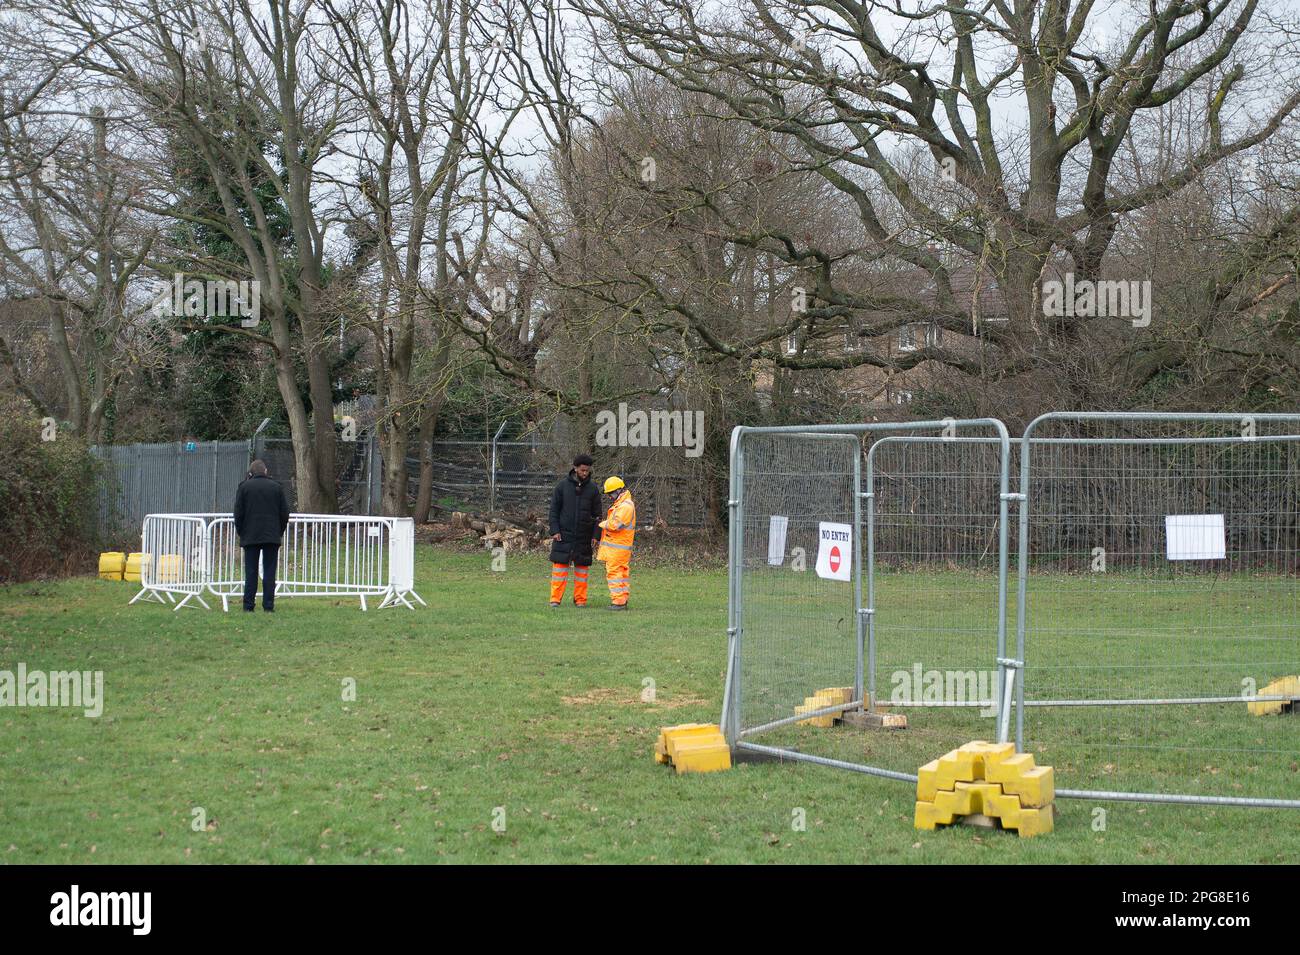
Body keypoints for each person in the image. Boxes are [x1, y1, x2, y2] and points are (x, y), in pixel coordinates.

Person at [233, 458, 290, 612]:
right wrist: (279, 531)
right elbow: (284, 513)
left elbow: (238, 513)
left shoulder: (244, 487)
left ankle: (248, 605)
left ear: (251, 473)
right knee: (269, 571)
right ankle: (269, 605)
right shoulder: (276, 487)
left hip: (250, 535)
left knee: (251, 571)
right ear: (265, 471)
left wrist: (241, 531)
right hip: (271, 535)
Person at [547, 453, 602, 608]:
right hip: (563, 535)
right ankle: (555, 600)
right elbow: (553, 511)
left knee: (582, 572)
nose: (585, 473)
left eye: (587, 470)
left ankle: (580, 600)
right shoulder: (562, 486)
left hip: (584, 536)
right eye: (583, 470)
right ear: (575, 468)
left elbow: (598, 515)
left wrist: (596, 535)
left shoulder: (593, 489)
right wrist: (554, 530)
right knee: (559, 570)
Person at [596, 476, 636, 611]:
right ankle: (622, 600)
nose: (610, 497)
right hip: (620, 547)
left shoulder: (625, 506)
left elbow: (616, 525)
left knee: (614, 574)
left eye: (611, 493)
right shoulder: (623, 504)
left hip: (618, 548)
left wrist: (601, 523)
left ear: (619, 490)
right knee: (622, 574)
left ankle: (618, 602)